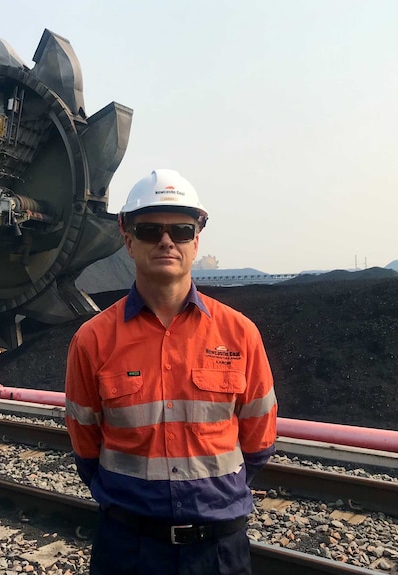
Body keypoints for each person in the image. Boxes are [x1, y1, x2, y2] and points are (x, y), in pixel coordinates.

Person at [65, 169, 278, 575]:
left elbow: (259, 441)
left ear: (196, 239)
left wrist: (211, 496)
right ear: (127, 238)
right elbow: (86, 446)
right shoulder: (92, 340)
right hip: (128, 547)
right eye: (149, 230)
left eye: (180, 229)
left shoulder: (240, 334)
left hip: (218, 551)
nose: (166, 241)